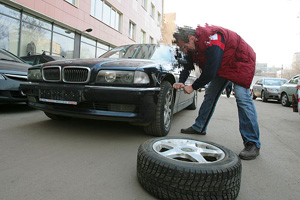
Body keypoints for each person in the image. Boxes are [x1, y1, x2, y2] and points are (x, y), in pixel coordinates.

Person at [172, 24, 261, 160]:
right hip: (223, 64)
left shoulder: (213, 39)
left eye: (184, 46)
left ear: (191, 38)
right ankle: (199, 127)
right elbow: (187, 66)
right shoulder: (191, 48)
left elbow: (211, 72)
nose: (184, 51)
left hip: (241, 61)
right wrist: (182, 82)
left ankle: (252, 142)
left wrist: (193, 87)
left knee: (242, 98)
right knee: (210, 95)